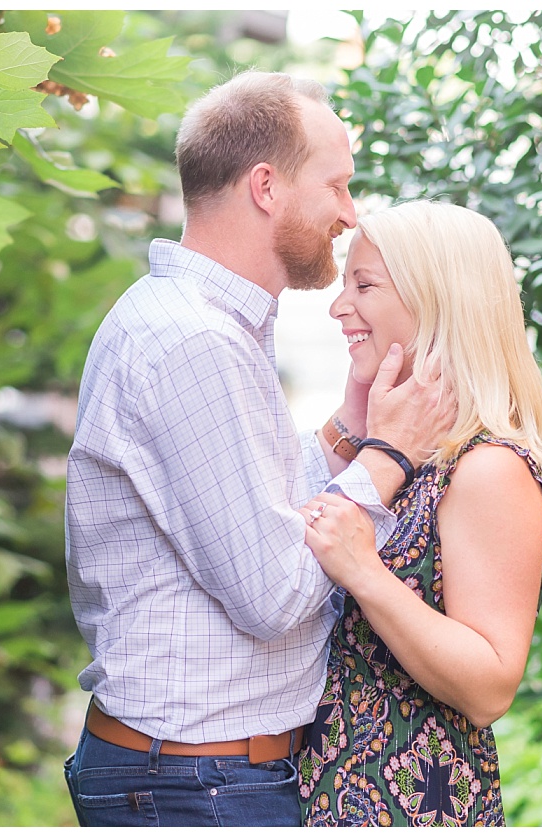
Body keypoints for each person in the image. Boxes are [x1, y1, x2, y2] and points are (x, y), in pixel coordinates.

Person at [62, 72, 454, 828]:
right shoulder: (192, 341)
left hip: (200, 775)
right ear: (267, 186)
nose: (348, 212)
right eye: (336, 185)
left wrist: (348, 427)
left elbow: (257, 509)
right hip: (198, 784)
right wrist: (388, 457)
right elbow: (273, 592)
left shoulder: (208, 325)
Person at [288, 200, 542, 826]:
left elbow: (490, 686)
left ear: (436, 302)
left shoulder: (487, 468)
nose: (337, 307)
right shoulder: (409, 457)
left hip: (411, 807)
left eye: (364, 286)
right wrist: (358, 426)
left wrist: (365, 573)